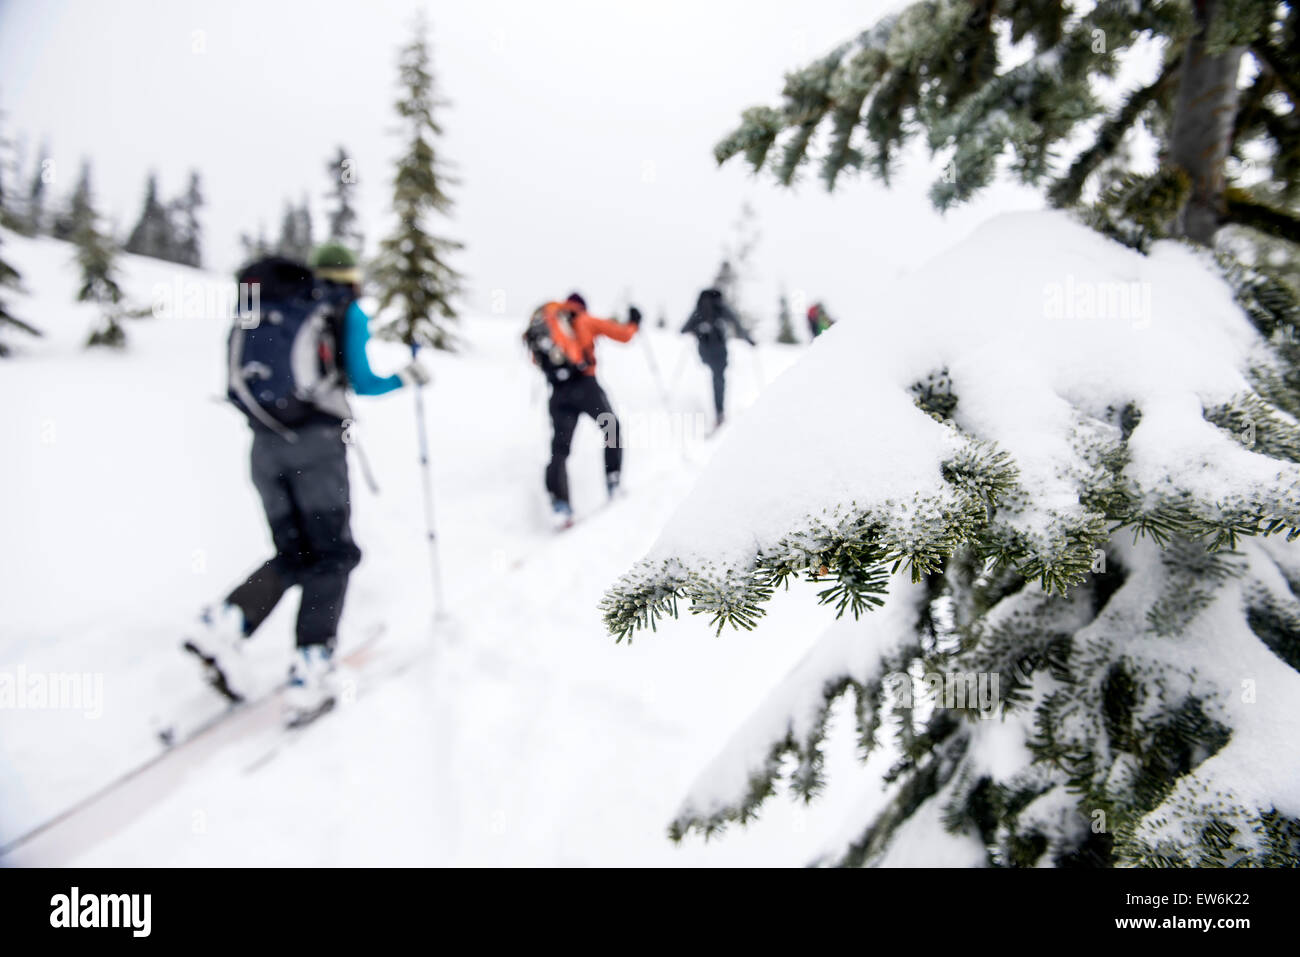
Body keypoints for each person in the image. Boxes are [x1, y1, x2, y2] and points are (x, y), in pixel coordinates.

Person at [183, 243, 429, 726]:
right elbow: (362, 381)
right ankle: (309, 672)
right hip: (315, 448)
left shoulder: (267, 307)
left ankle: (226, 623)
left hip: (264, 447)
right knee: (333, 554)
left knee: (296, 553)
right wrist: (408, 375)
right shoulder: (342, 311)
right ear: (350, 274)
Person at [528, 292, 639, 528]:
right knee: (611, 428)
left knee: (559, 449)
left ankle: (561, 505)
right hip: (585, 386)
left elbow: (536, 360)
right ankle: (613, 481)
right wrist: (634, 323)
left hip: (558, 392)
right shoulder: (584, 319)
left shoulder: (548, 321)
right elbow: (623, 335)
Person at [681, 287, 754, 429]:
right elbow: (736, 323)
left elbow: (684, 329)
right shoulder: (720, 307)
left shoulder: (699, 309)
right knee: (719, 378)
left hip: (704, 350)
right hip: (720, 350)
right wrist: (749, 340)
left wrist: (698, 330)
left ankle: (718, 413)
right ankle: (720, 413)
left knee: (715, 376)